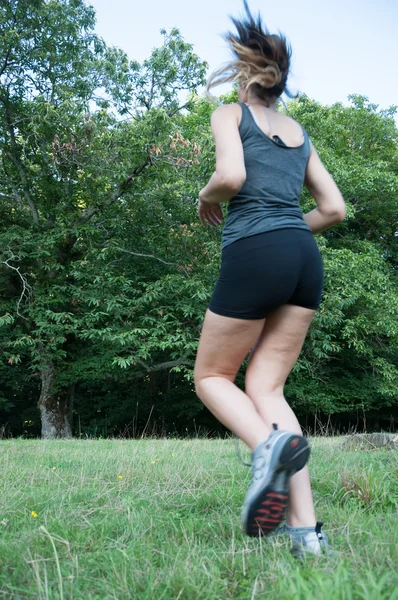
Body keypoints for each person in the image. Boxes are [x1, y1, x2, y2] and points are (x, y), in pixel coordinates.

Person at [194, 0, 346, 558]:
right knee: (268, 387)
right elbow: (334, 209)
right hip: (305, 258)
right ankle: (307, 537)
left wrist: (205, 195)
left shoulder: (230, 116)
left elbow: (231, 175)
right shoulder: (298, 131)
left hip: (256, 250)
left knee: (212, 377)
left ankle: (267, 447)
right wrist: (289, 235)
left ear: (243, 74)